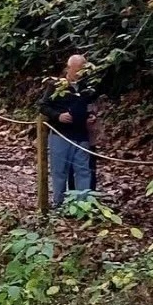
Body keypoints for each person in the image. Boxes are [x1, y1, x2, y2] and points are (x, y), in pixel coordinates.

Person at [39, 53, 98, 207]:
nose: (80, 73)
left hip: (81, 134)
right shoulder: (56, 85)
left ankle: (83, 205)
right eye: (78, 69)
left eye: (83, 69)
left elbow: (90, 105)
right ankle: (58, 203)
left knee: (83, 170)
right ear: (69, 68)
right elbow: (43, 106)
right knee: (59, 171)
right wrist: (58, 116)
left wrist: (91, 116)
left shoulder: (87, 87)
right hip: (60, 135)